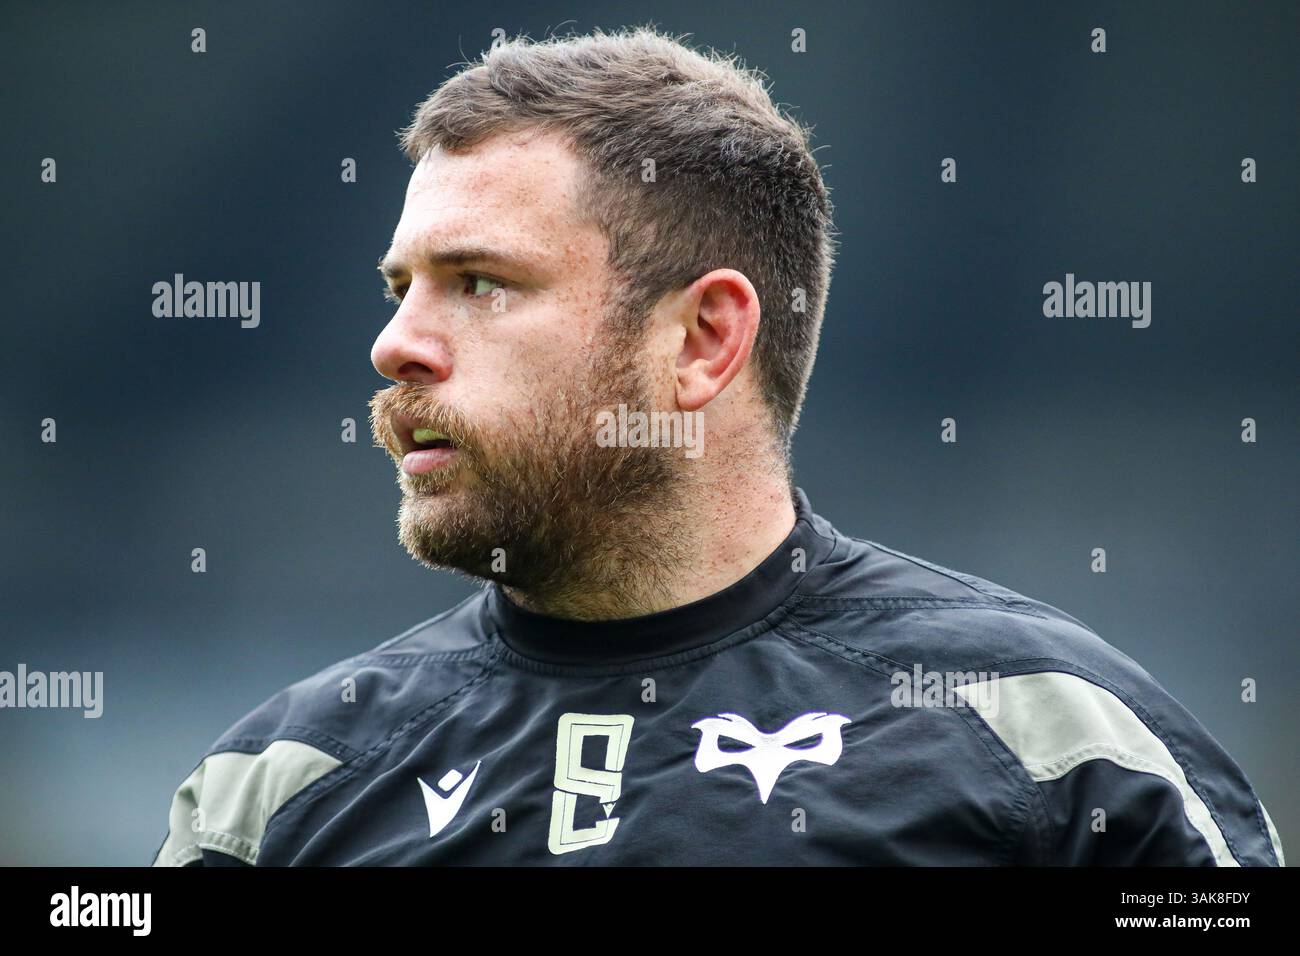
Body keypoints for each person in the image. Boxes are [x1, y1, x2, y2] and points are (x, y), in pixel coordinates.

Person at [152, 28, 1283, 866]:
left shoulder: (1056, 744)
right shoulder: (276, 789)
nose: (396, 346)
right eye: (401, 289)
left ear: (703, 338)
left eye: (480, 284)